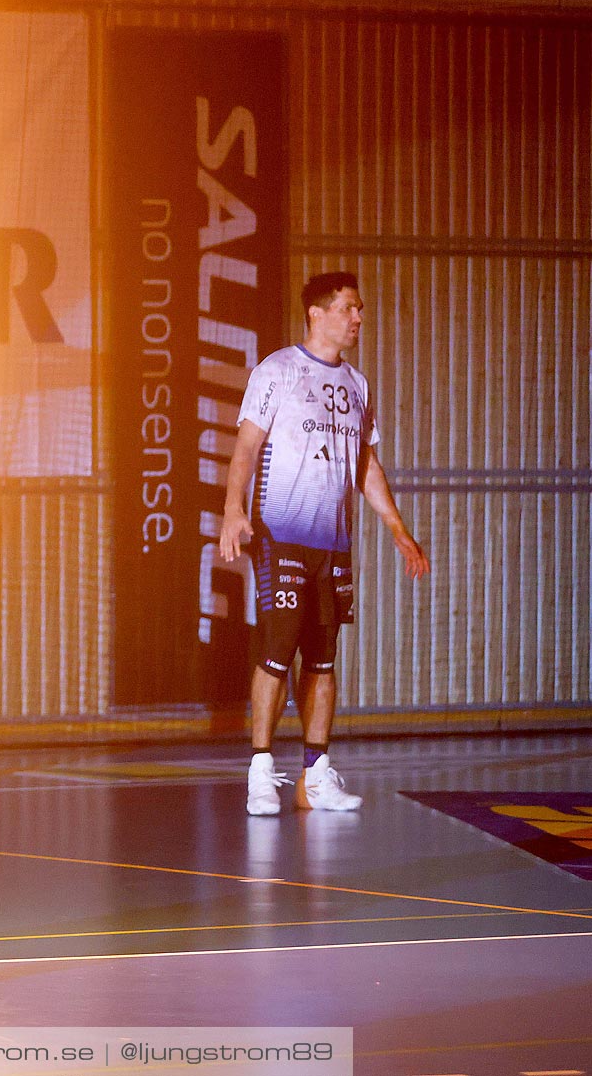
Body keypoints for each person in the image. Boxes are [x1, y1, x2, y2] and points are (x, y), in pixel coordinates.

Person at [218, 272, 429, 816]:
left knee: (324, 660)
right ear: (317, 312)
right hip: (281, 535)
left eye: (360, 310)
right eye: (349, 308)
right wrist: (232, 509)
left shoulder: (357, 386)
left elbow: (365, 463)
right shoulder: (279, 371)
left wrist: (399, 531)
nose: (358, 318)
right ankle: (261, 771)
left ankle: (316, 775)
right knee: (276, 651)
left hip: (333, 544)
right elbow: (246, 447)